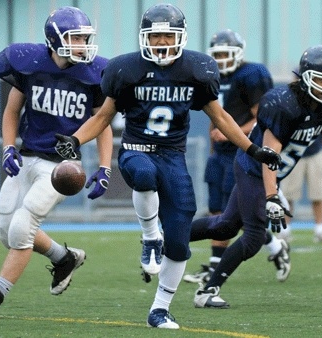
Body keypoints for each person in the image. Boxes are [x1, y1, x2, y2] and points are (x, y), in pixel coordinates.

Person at [54, 3, 281, 329]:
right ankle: (149, 237)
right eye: (155, 35)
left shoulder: (196, 68)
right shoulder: (125, 69)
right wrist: (76, 140)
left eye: (167, 35)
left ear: (181, 36)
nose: (161, 42)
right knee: (144, 175)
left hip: (173, 156)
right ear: (145, 37)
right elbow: (103, 117)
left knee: (178, 240)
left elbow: (221, 117)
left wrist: (253, 149)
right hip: (135, 150)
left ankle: (159, 309)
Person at [190, 45, 322, 309]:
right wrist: (272, 196)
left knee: (226, 226)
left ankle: (166, 236)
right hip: (254, 166)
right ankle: (208, 291)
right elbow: (270, 153)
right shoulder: (282, 102)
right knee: (252, 236)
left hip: (274, 172)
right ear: (306, 77)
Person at [0, 6, 113, 318]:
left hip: (60, 165)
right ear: (56, 39)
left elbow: (102, 121)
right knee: (4, 228)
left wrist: (104, 166)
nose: (84, 44)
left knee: (23, 225)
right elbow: (11, 111)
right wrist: (7, 147)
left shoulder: (92, 74)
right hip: (27, 155)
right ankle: (63, 257)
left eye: (86, 38)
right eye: (77, 38)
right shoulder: (31, 65)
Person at [183, 30, 290, 285]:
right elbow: (216, 117)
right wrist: (214, 145)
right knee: (217, 212)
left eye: (225, 54)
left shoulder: (252, 74)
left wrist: (232, 133)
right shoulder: (213, 76)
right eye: (217, 54)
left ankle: (218, 266)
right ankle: (273, 248)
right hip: (220, 154)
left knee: (234, 217)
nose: (220, 59)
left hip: (244, 154)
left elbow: (264, 119)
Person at [279, 136, 322, 242]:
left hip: (315, 151)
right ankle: (284, 230)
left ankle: (320, 229)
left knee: (318, 194)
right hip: (292, 152)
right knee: (287, 196)